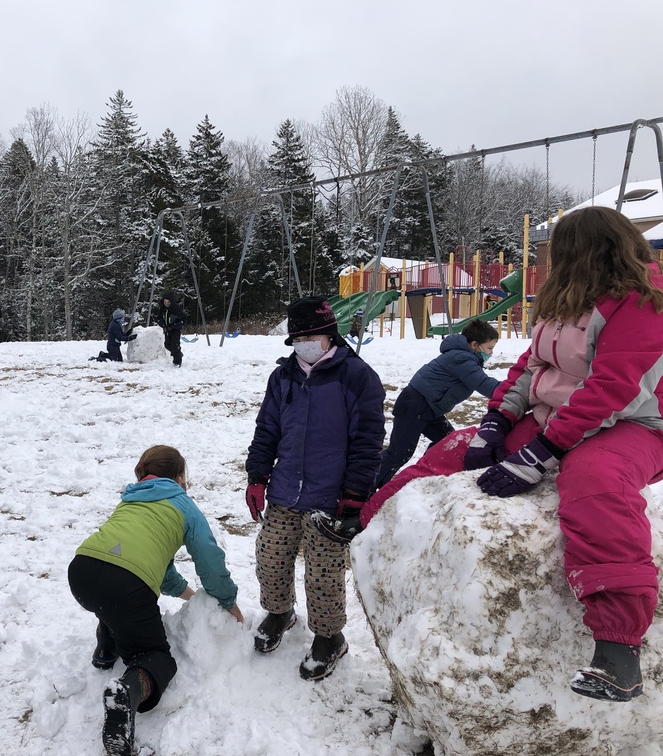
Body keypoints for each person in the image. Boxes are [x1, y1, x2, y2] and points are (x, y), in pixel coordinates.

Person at [313, 206, 663, 702]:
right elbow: (528, 366)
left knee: (594, 480)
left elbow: (613, 389)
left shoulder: (642, 301)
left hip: (631, 423)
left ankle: (618, 646)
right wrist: (497, 421)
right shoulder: (566, 302)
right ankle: (366, 518)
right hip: (554, 418)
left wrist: (541, 452)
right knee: (456, 447)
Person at [68, 445, 243, 756]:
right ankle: (127, 693)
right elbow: (209, 560)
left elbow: (156, 568)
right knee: (156, 656)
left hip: (82, 570)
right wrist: (227, 600)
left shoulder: (130, 499)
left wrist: (189, 596)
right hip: (125, 587)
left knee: (112, 600)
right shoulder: (183, 504)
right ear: (180, 479)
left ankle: (106, 648)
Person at [245, 296, 385, 681]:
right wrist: (257, 475)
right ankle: (280, 612)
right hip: (286, 490)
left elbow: (368, 440)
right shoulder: (283, 377)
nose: (306, 344)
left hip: (331, 495)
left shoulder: (357, 376)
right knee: (271, 556)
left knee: (324, 572)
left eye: (314, 336)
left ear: (329, 335)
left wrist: (356, 493)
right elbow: (267, 429)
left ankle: (329, 637)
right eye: (299, 338)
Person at [374, 318, 501, 488]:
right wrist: (514, 391)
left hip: (428, 408)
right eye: (489, 348)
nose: (491, 353)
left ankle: (422, 478)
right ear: (474, 345)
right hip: (415, 405)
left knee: (446, 443)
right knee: (399, 453)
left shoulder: (465, 357)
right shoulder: (462, 359)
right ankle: (360, 487)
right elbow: (484, 384)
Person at [154, 291, 185, 367]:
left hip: (175, 330)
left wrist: (174, 325)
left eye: (168, 301)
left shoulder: (176, 308)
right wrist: (163, 325)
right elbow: (159, 319)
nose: (166, 303)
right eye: (165, 301)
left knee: (175, 346)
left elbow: (183, 319)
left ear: (171, 301)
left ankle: (177, 362)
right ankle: (178, 354)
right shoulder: (163, 309)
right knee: (167, 345)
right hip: (167, 330)